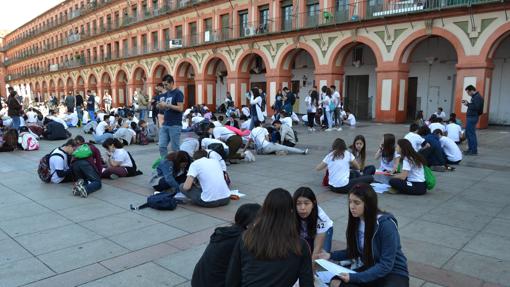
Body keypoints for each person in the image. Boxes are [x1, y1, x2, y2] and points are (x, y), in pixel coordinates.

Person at [324, 183, 409, 287]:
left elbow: (386, 265)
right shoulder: (357, 221)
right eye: (350, 202)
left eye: (357, 203)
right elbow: (353, 251)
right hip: (371, 268)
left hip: (394, 272)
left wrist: (354, 277)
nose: (352, 206)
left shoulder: (386, 225)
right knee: (335, 282)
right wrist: (330, 255)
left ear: (368, 204)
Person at [226, 188, 313, 286]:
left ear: (264, 210)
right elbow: (307, 283)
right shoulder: (300, 246)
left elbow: (232, 279)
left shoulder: (246, 237)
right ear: (291, 212)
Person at [192, 203, 261, 287]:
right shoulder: (241, 240)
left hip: (198, 281)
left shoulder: (229, 232)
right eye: (261, 221)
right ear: (250, 224)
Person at [294, 187, 334, 259]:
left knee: (321, 257)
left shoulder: (321, 217)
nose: (302, 207)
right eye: (298, 203)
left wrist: (311, 267)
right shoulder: (290, 212)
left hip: (323, 231)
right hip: (304, 233)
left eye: (306, 203)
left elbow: (317, 248)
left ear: (313, 204)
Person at [158, 74, 184, 157]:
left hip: (175, 125)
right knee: (161, 146)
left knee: (175, 148)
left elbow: (180, 108)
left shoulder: (178, 93)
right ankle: (165, 164)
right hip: (165, 124)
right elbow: (165, 108)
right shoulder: (167, 94)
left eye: (166, 84)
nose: (165, 87)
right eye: (164, 85)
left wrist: (167, 105)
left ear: (172, 83)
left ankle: (177, 166)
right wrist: (160, 106)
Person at [462, 85, 484, 155]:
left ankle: (473, 150)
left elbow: (477, 108)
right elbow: (475, 107)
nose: (468, 94)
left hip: (472, 118)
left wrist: (468, 104)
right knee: (469, 134)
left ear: (471, 90)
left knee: (471, 134)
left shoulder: (477, 97)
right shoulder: (475, 97)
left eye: (468, 92)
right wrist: (468, 104)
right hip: (471, 117)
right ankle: (470, 149)